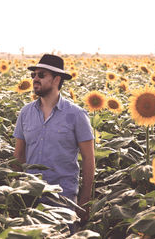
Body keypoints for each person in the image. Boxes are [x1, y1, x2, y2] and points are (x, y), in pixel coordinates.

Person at [13, 54, 95, 224]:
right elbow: (19, 155)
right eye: (33, 75)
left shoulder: (76, 115)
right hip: (31, 194)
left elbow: (89, 159)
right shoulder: (25, 113)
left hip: (63, 196)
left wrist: (85, 200)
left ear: (57, 79)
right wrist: (15, 190)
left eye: (41, 75)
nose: (35, 79)